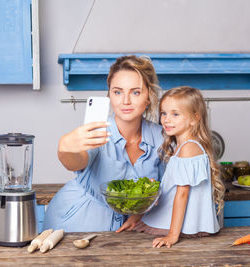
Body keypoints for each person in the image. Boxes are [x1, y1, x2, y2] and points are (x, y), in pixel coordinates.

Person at [43, 55, 165, 232]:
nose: (125, 101)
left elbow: (168, 186)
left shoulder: (162, 137)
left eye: (135, 92)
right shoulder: (95, 132)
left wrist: (143, 210)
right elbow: (76, 161)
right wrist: (64, 148)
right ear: (109, 95)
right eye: (117, 92)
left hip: (133, 231)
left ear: (148, 97)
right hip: (75, 224)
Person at [117, 86, 225, 248]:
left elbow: (182, 195)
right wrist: (139, 216)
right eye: (164, 113)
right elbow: (172, 190)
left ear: (195, 118)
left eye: (175, 114)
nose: (167, 119)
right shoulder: (183, 146)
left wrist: (172, 235)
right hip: (178, 221)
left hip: (183, 227)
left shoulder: (188, 148)